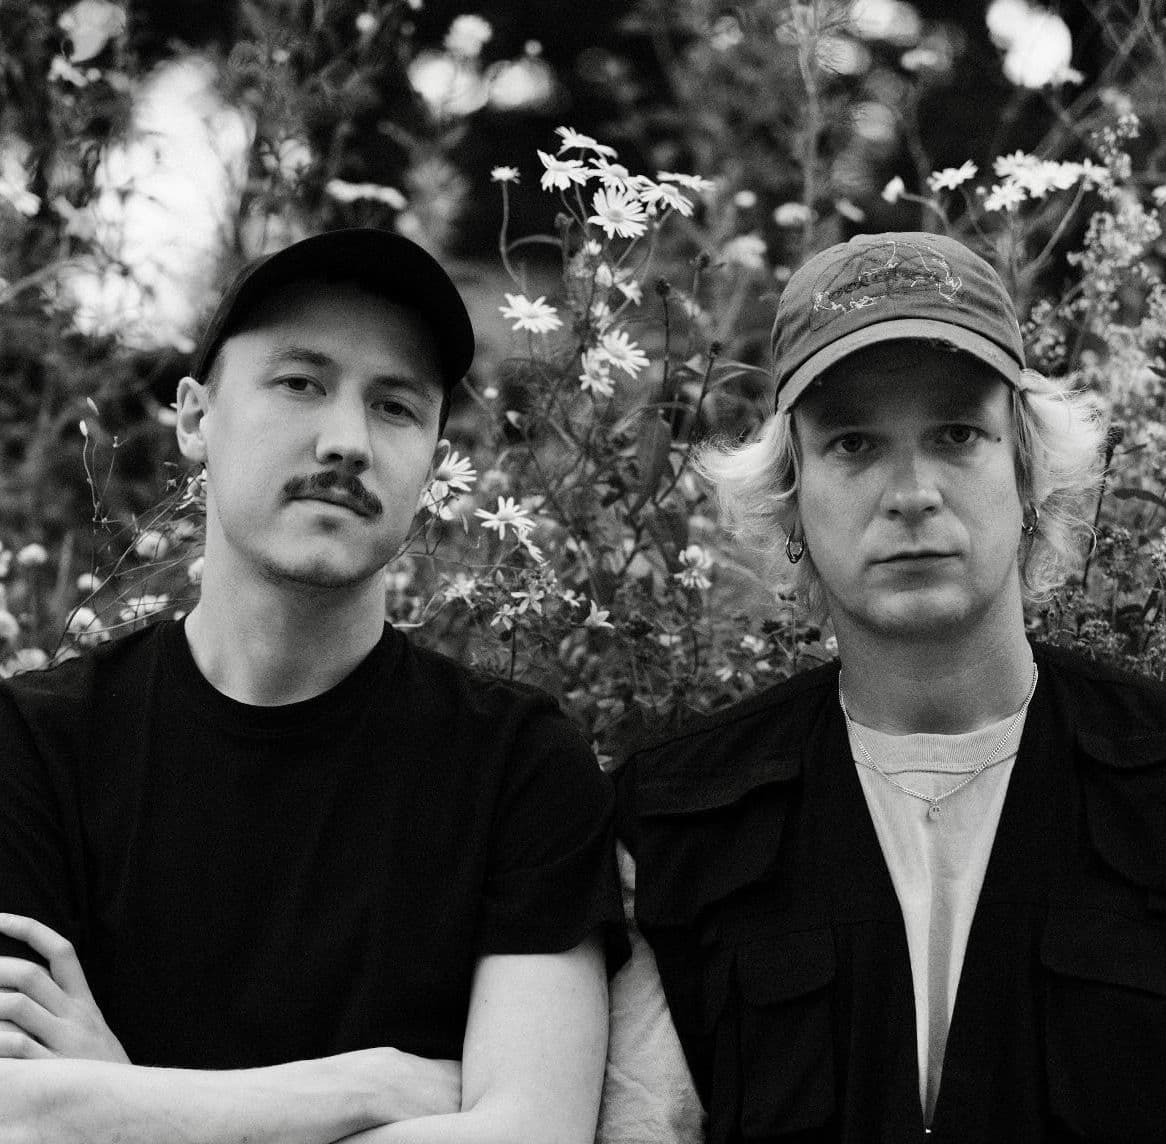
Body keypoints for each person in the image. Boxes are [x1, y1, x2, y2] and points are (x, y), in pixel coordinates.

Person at [0, 227, 627, 1144]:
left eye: (396, 407)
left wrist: (120, 1103)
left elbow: (530, 1135)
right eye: (300, 383)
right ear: (194, 418)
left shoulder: (518, 768)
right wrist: (361, 1090)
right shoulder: (33, 746)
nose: (347, 442)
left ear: (434, 456)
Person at [601, 232, 1166, 1142]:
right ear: (791, 494)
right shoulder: (676, 825)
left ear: (1026, 471)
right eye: (854, 443)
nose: (911, 493)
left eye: (957, 434)